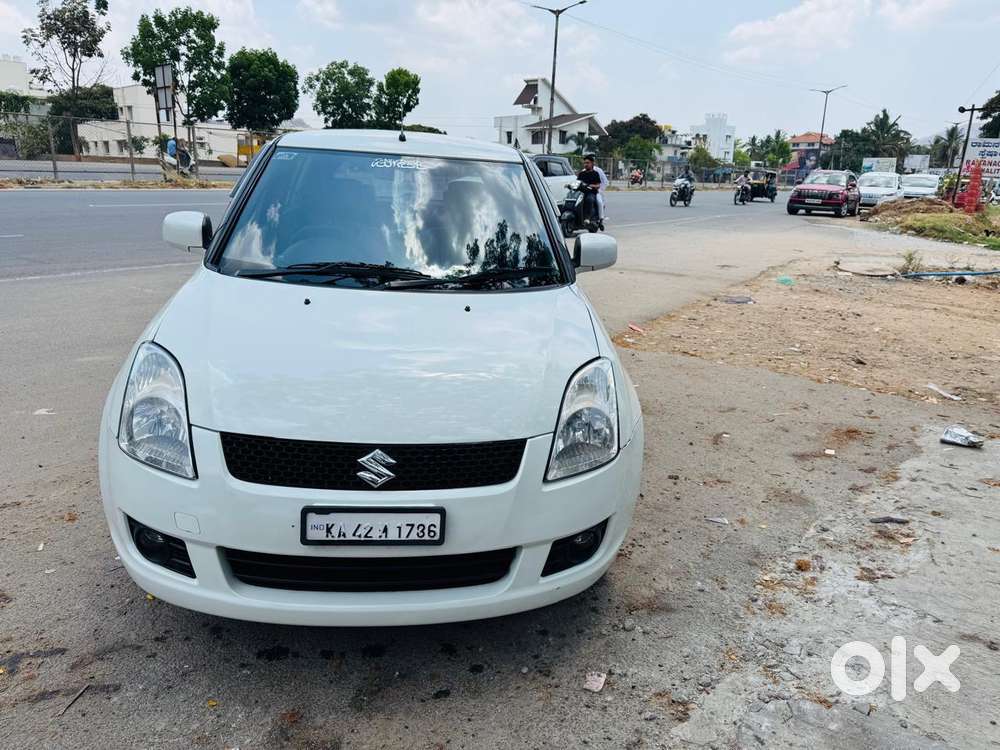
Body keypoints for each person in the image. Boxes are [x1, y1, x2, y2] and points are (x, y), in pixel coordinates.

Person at [576, 155, 603, 227]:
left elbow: (598, 185)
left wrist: (591, 185)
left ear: (592, 163)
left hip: (591, 193)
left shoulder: (595, 174)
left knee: (589, 199)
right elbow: (577, 182)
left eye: (587, 163)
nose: (586, 165)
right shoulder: (581, 174)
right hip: (581, 193)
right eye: (584, 163)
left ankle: (588, 217)